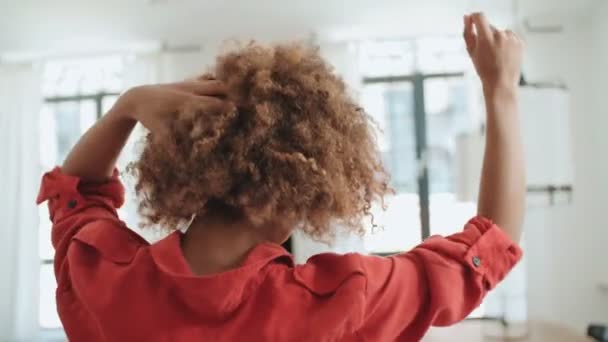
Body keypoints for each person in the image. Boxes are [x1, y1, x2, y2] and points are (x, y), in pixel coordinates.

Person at [37, 12, 525, 341]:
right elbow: (483, 253)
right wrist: (500, 91)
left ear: (184, 167)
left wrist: (129, 105)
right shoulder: (339, 302)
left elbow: (74, 197)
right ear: (305, 186)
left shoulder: (105, 278)